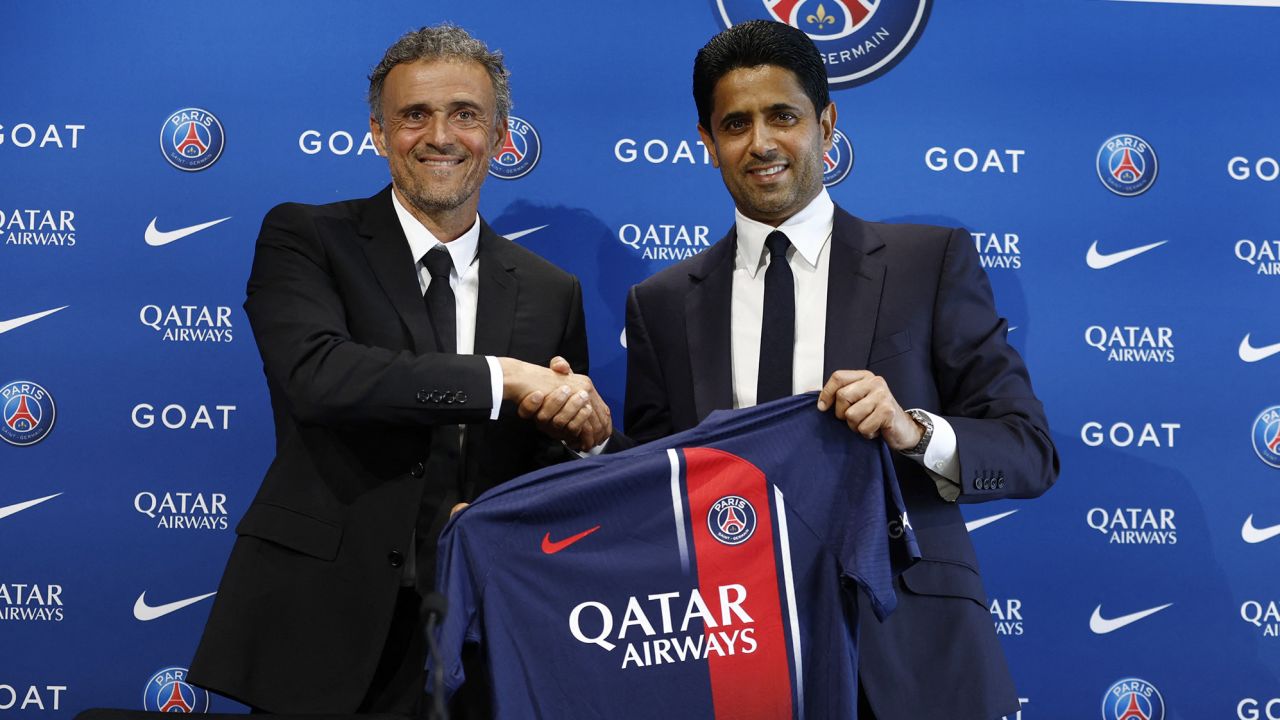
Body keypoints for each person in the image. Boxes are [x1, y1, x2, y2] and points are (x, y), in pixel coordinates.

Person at [623, 20, 1058, 720]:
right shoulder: (662, 306)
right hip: (736, 660)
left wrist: (911, 430)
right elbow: (654, 484)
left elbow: (1029, 451)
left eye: (783, 116)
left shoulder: (929, 263)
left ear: (827, 123)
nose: (761, 142)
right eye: (735, 123)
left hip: (909, 659)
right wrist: (586, 444)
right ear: (706, 144)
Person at [189, 24, 612, 714]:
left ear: (501, 137)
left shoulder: (549, 289)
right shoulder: (307, 237)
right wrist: (501, 378)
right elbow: (320, 376)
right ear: (380, 134)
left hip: (486, 627)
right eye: (414, 115)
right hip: (326, 628)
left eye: (464, 115)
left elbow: (548, 462)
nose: (439, 135)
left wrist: (584, 434)